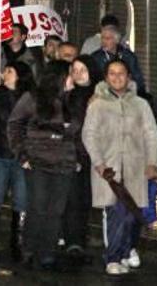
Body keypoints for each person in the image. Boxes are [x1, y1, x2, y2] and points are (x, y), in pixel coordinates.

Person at [82, 60, 157, 276]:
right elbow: (89, 135)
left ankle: (126, 251)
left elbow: (151, 134)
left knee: (133, 214)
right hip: (109, 170)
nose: (117, 78)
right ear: (106, 77)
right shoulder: (97, 105)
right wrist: (99, 163)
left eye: (121, 73)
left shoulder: (141, 105)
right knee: (116, 213)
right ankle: (113, 257)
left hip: (135, 168)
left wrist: (153, 162)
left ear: (129, 76)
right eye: (112, 74)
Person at [8, 61, 78, 270]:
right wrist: (22, 154)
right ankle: (30, 249)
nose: (73, 77)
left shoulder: (74, 100)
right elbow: (14, 124)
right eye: (70, 73)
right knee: (37, 206)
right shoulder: (33, 98)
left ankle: (48, 251)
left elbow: (81, 132)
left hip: (64, 162)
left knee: (55, 210)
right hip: (38, 161)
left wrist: (78, 158)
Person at [0, 61, 33, 262]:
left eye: (9, 71)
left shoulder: (30, 98)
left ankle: (17, 243)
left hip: (22, 158)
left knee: (22, 200)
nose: (4, 74)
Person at [62, 55, 101, 265]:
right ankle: (72, 240)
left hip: (93, 154)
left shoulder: (99, 93)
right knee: (74, 199)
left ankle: (80, 237)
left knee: (85, 199)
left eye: (82, 69)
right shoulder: (67, 95)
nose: (77, 74)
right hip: (74, 153)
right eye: (74, 70)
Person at [90, 25, 147, 96]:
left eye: (107, 39)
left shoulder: (128, 56)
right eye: (102, 38)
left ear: (116, 40)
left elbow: (138, 81)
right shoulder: (95, 57)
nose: (104, 42)